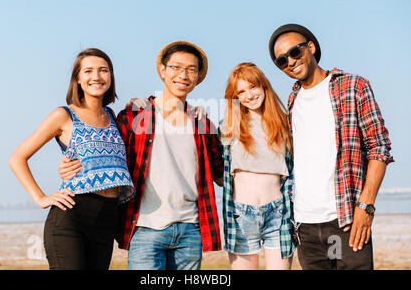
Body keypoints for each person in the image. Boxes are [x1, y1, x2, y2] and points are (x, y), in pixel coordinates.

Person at [59, 41, 224, 270]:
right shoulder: (133, 116)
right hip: (144, 228)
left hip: (190, 230)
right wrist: (72, 163)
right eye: (176, 67)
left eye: (191, 69)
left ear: (197, 77)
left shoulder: (203, 123)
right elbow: (106, 152)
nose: (183, 75)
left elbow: (222, 175)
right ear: (163, 71)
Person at [268, 24, 394, 270]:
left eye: (295, 52)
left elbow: (379, 147)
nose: (290, 62)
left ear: (311, 47)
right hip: (304, 227)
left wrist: (365, 207)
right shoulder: (292, 101)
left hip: (347, 220)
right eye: (282, 61)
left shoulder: (353, 86)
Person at [9, 48, 135, 270]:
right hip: (71, 218)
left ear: (111, 76)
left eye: (103, 70)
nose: (96, 77)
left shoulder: (113, 118)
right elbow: (17, 158)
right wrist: (40, 198)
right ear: (78, 78)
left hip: (106, 220)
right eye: (88, 71)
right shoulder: (65, 115)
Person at [219, 62, 295, 270]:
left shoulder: (285, 124)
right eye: (241, 91)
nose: (249, 95)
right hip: (241, 214)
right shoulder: (229, 126)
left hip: (278, 212)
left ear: (263, 86)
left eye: (252, 87)